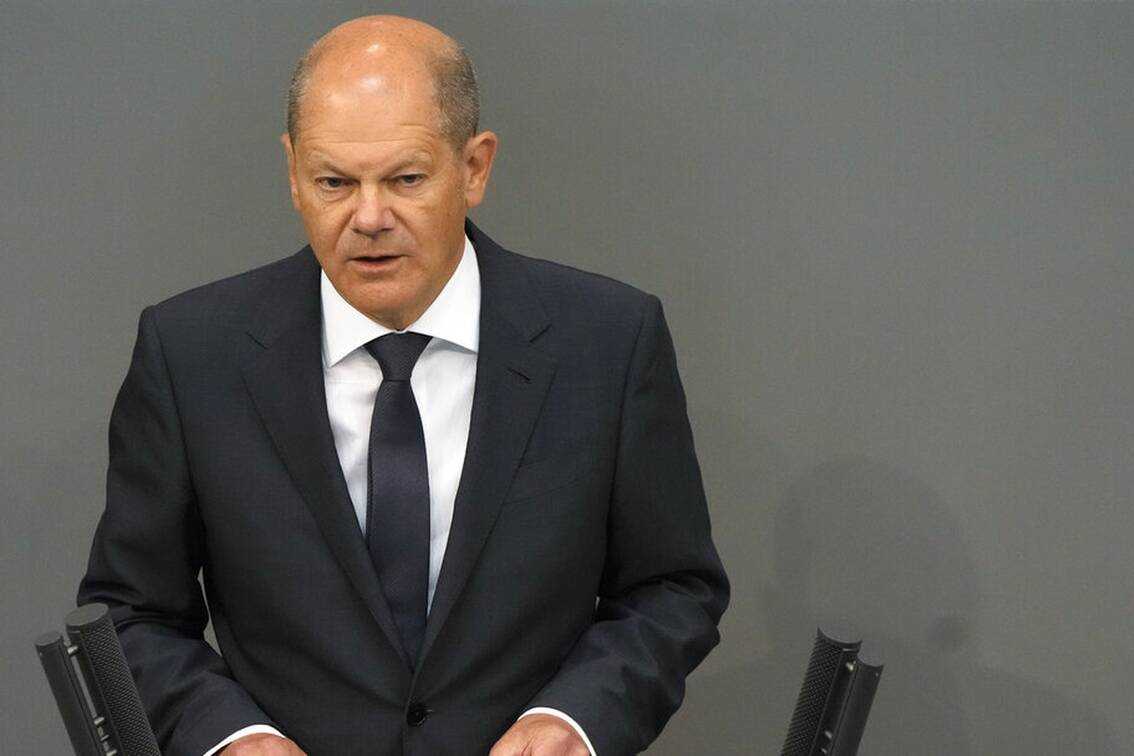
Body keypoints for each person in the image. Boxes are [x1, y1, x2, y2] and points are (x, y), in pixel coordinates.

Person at [76, 14, 729, 756]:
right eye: (334, 182)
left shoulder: (606, 342)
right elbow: (130, 614)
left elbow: (672, 589)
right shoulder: (192, 354)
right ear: (292, 173)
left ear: (475, 167)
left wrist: (575, 720)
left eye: (405, 179)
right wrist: (231, 737)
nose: (369, 217)